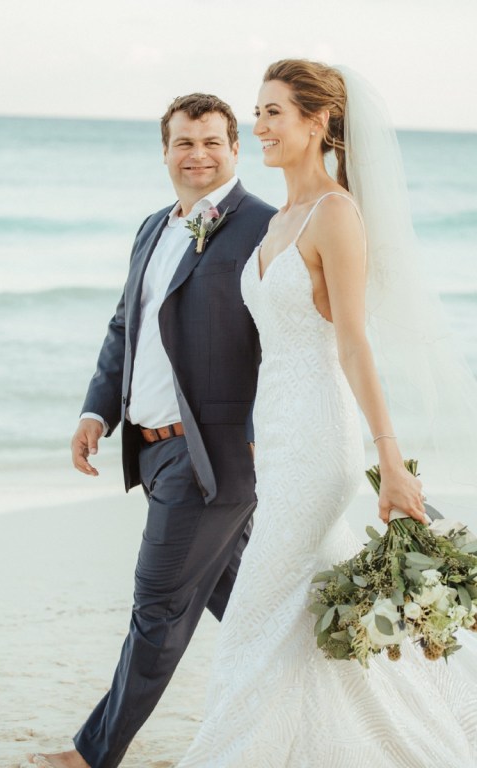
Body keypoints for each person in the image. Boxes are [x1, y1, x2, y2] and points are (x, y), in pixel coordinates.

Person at [174, 59, 477, 766]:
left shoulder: (336, 214)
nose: (260, 125)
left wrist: (390, 461)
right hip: (278, 443)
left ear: (319, 122)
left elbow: (352, 344)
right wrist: (254, 434)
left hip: (319, 441)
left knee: (253, 615)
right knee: (307, 618)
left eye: (274, 111)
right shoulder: (280, 218)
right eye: (259, 111)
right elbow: (276, 347)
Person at [28, 95, 276, 768]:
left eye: (211, 142)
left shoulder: (263, 227)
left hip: (215, 459)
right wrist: (95, 411)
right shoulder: (151, 228)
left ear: (235, 149)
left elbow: (284, 340)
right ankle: (318, 705)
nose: (197, 154)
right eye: (183, 142)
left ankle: (92, 755)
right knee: (252, 606)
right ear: (164, 151)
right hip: (154, 449)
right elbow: (125, 327)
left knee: (157, 607)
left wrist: (258, 434)